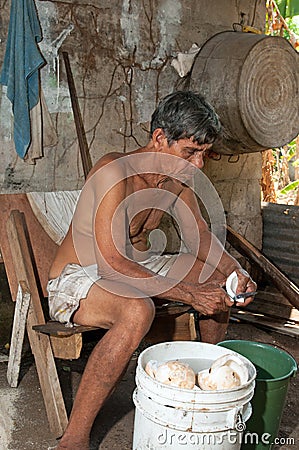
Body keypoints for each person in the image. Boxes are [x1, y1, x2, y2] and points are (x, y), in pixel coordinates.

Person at [48, 91, 256, 449]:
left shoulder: (177, 179)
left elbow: (201, 236)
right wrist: (188, 294)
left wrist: (235, 270)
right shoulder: (114, 172)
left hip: (134, 267)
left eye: (203, 154)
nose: (199, 164)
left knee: (212, 276)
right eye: (190, 152)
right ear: (160, 138)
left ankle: (206, 387)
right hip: (80, 277)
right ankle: (74, 438)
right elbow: (113, 262)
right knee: (137, 308)